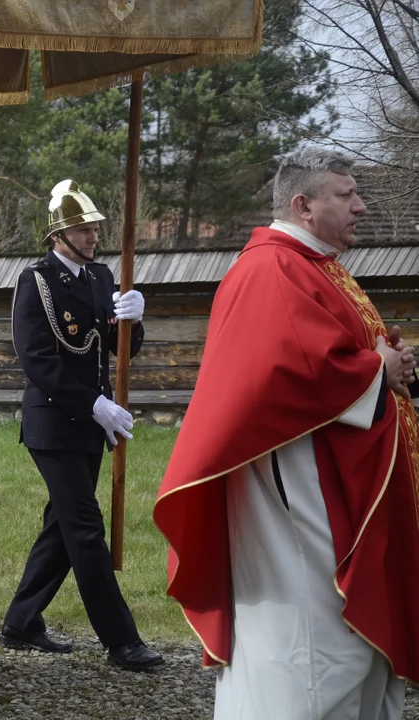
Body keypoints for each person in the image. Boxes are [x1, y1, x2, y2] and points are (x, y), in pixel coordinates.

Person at [155, 148, 419, 719]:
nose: (362, 206)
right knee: (312, 635)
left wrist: (383, 360)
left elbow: (332, 349)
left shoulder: (314, 263)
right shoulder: (272, 267)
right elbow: (292, 367)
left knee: (339, 640)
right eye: (345, 196)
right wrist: (377, 369)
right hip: (298, 488)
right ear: (302, 205)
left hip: (326, 474)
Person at [0, 179, 163, 671]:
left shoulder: (100, 277)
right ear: (58, 234)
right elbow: (37, 361)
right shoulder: (36, 280)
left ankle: (21, 621)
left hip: (93, 423)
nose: (93, 236)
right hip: (53, 423)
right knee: (87, 529)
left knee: (62, 527)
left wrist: (134, 320)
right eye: (83, 229)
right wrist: (95, 404)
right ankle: (122, 639)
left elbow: (120, 351)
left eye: (94, 228)